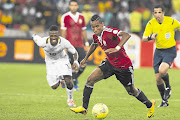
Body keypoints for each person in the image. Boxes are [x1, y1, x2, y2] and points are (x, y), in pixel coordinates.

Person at [70, 14, 155, 118]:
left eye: (97, 26)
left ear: (102, 24)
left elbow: (126, 35)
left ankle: (150, 105)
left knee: (131, 91)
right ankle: (84, 108)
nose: (95, 29)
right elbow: (94, 44)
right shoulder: (96, 35)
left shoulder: (109, 31)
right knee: (90, 80)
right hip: (110, 63)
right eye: (93, 27)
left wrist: (117, 48)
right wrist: (86, 58)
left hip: (124, 66)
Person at [142, 5, 180, 107]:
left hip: (170, 50)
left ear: (163, 13)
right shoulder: (151, 23)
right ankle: (164, 102)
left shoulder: (171, 21)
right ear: (153, 14)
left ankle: (168, 87)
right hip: (158, 52)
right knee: (158, 78)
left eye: (159, 12)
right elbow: (144, 38)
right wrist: (150, 37)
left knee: (162, 71)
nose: (157, 15)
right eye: (155, 13)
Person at [32, 25, 79, 107]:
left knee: (68, 81)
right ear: (49, 35)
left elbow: (74, 52)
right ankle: (61, 80)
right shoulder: (42, 42)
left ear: (59, 35)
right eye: (52, 36)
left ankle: (70, 100)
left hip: (62, 59)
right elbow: (36, 38)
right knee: (54, 86)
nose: (53, 37)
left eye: (55, 35)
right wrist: (34, 35)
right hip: (50, 62)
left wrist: (75, 61)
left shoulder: (64, 42)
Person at [61, 0, 89, 91]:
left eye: (75, 5)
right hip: (69, 45)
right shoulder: (65, 17)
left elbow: (84, 30)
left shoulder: (81, 17)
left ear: (77, 6)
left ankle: (73, 79)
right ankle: (72, 82)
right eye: (72, 5)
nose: (73, 7)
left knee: (83, 64)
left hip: (80, 44)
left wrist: (87, 43)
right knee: (70, 65)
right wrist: (64, 46)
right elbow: (63, 32)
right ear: (69, 6)